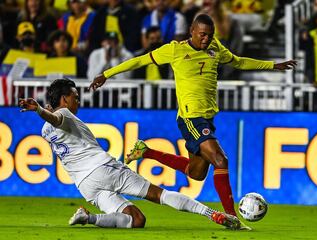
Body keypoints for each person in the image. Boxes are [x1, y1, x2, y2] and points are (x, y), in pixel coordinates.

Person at [89, 14, 296, 216]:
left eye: (210, 35)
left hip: (207, 118)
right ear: (192, 31)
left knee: (196, 173)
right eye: (202, 34)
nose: (206, 39)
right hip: (190, 117)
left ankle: (147, 152)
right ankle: (231, 216)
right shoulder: (175, 50)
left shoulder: (215, 48)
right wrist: (106, 74)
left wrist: (272, 65)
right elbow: (139, 61)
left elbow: (239, 62)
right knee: (220, 160)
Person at [18, 78, 245, 230]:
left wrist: (42, 111)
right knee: (159, 195)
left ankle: (87, 218)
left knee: (136, 220)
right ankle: (212, 214)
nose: (78, 100)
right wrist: (40, 109)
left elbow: (52, 122)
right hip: (103, 169)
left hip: (85, 185)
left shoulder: (45, 131)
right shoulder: (64, 113)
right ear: (64, 98)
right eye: (75, 96)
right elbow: (56, 118)